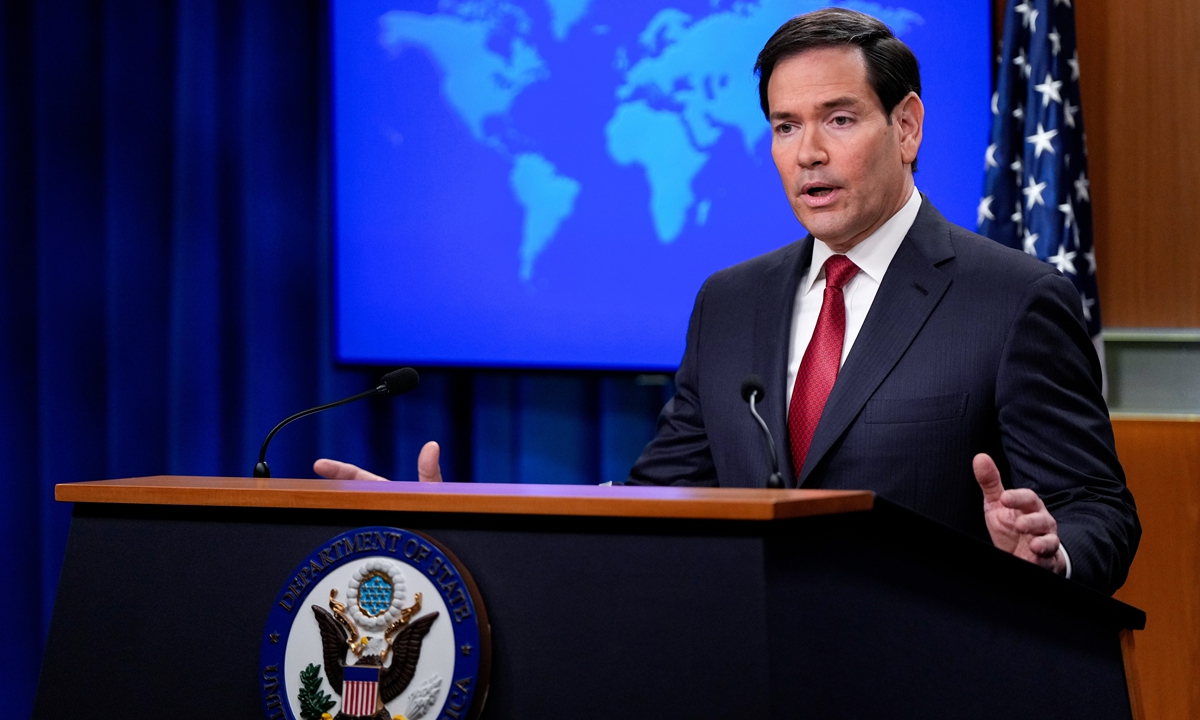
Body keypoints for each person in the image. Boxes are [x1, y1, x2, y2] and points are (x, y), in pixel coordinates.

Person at [317, 8, 1139, 595]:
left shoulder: (1013, 299)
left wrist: (1051, 551)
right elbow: (659, 503)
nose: (807, 153)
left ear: (908, 127)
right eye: (784, 127)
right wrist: (456, 515)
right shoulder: (731, 302)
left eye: (838, 119)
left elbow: (1099, 509)